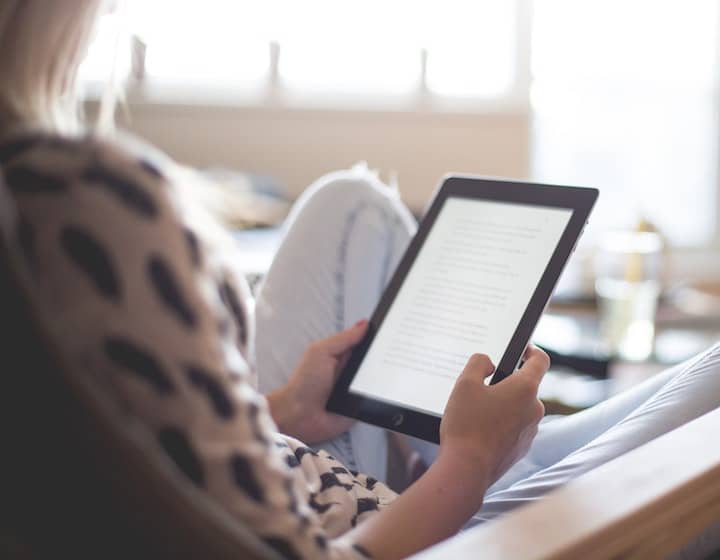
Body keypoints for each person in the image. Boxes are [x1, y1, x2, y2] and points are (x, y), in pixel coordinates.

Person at [0, 1, 718, 559]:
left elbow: (157, 453)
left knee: (353, 205)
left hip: (309, 466)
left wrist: (280, 411)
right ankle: (489, 456)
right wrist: (465, 466)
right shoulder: (77, 200)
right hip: (416, 531)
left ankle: (477, 444)